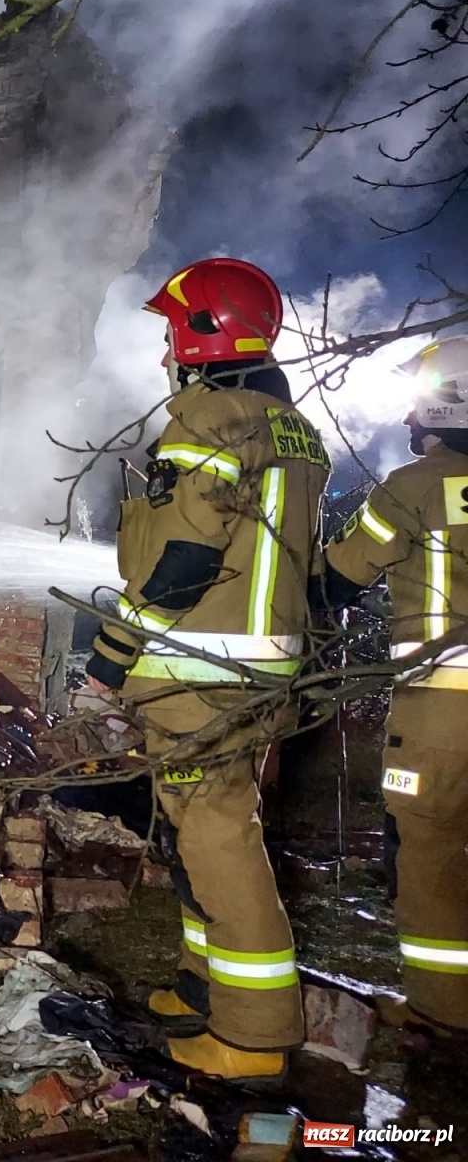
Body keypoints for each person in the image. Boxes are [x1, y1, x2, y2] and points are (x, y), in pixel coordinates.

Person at [84, 257, 331, 1081]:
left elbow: (183, 560)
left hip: (201, 668)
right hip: (260, 670)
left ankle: (254, 1037)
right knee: (196, 829)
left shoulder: (208, 419)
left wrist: (109, 658)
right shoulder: (290, 428)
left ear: (203, 335)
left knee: (221, 840)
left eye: (171, 335)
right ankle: (204, 985)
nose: (165, 355)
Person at [315, 335, 468, 1036]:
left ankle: (444, 1011)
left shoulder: (412, 487)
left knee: (429, 851)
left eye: (417, 401)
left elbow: (342, 574)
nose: (408, 416)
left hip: (443, 711)